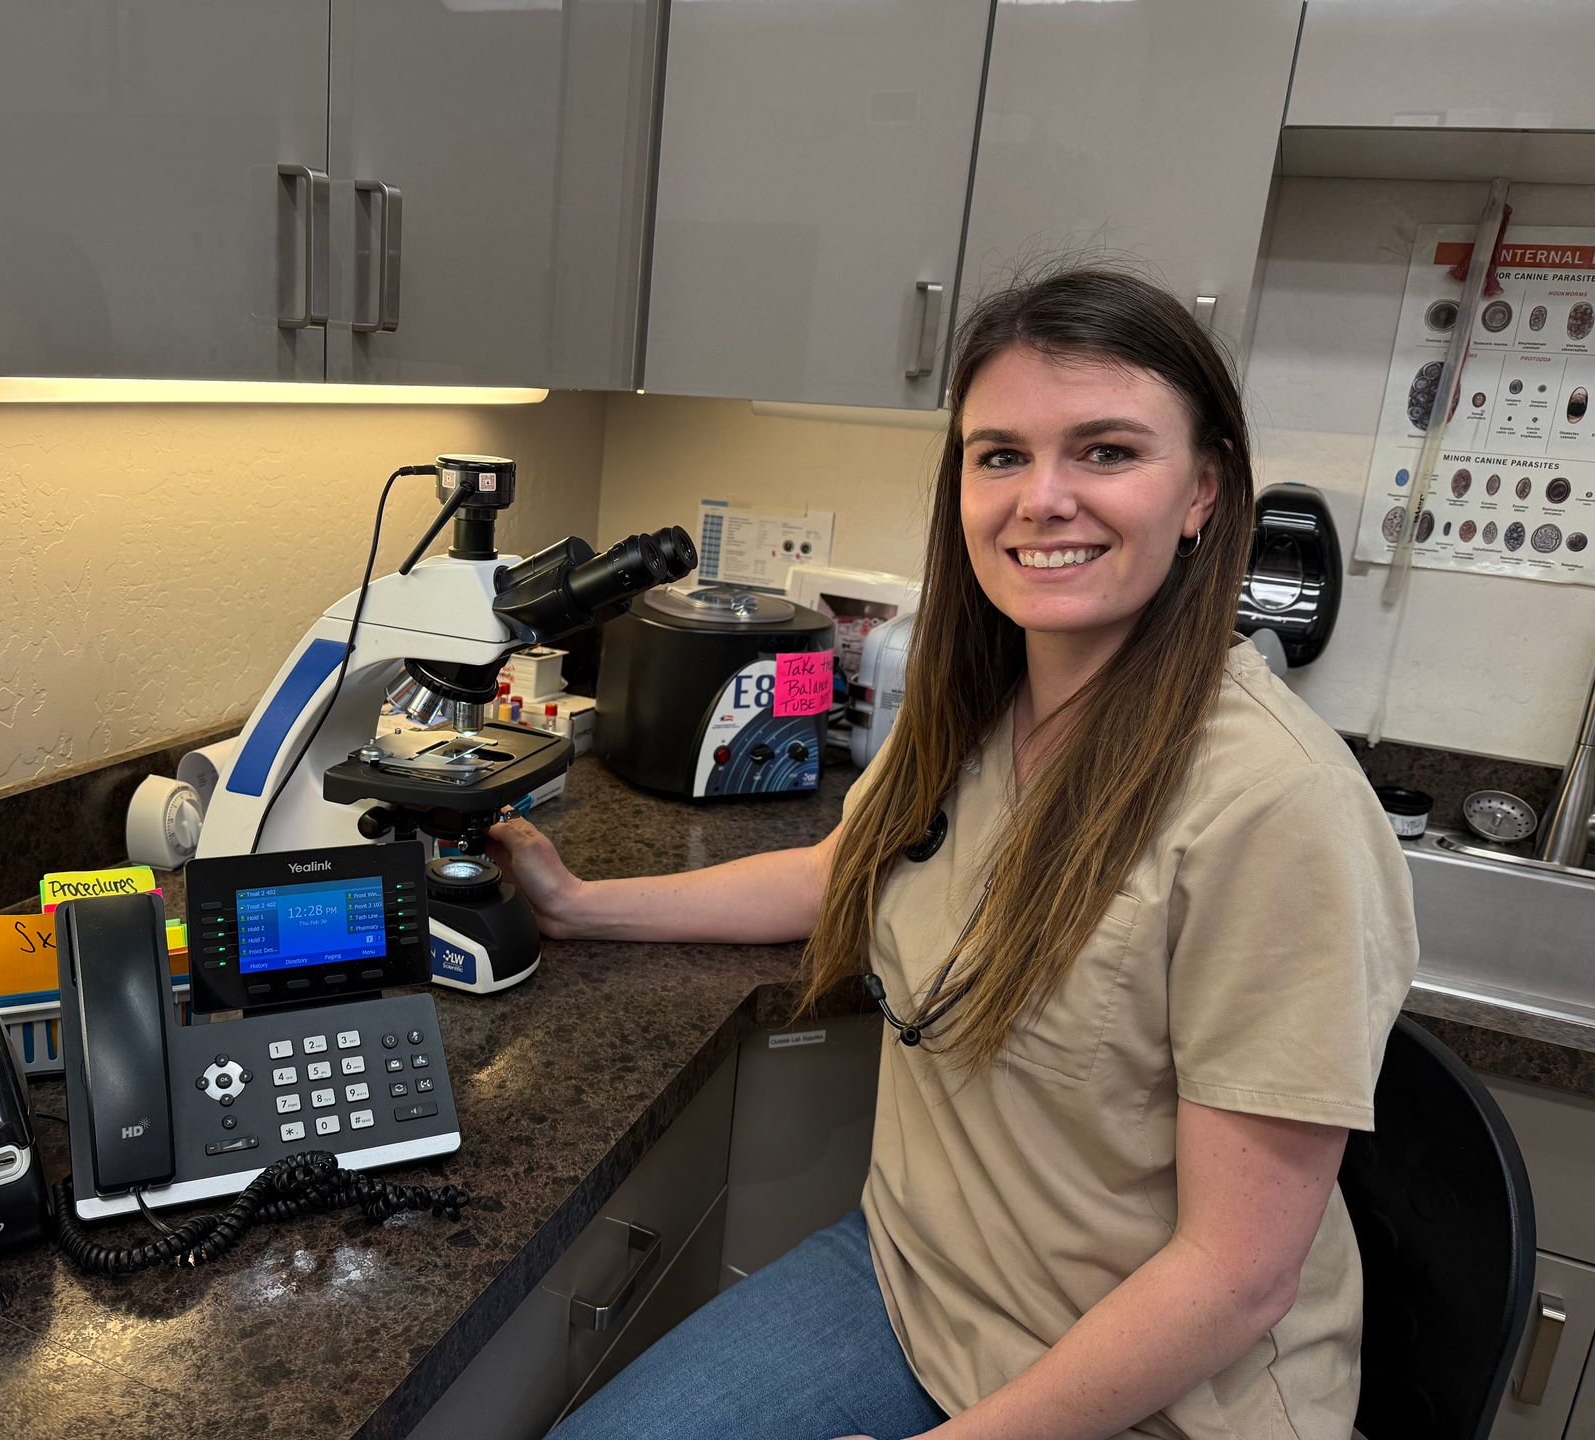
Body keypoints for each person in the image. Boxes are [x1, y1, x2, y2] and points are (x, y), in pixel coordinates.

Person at [486, 267, 1418, 1440]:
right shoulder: (977, 709)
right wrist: (582, 905)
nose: (1044, 498)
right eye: (1000, 456)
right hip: (920, 1287)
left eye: (1108, 452)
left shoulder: (1275, 809)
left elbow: (1238, 1278)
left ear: (1204, 491)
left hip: (1156, 1388)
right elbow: (849, 872)